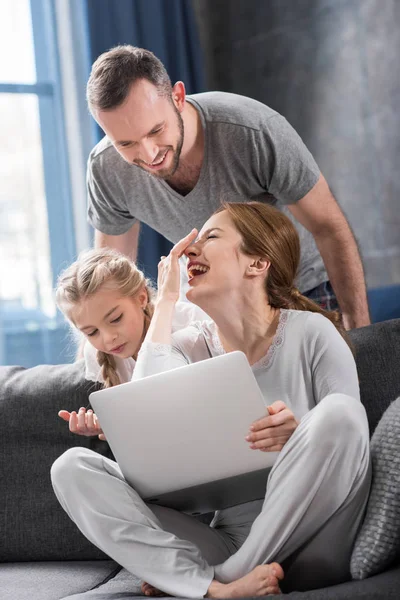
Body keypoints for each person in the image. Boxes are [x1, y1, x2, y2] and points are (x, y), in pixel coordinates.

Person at [51, 202, 371, 597]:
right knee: (72, 467)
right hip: (227, 539)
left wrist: (300, 433)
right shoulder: (188, 344)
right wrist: (165, 301)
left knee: (338, 413)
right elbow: (152, 404)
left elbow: (352, 442)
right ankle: (213, 585)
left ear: (256, 264)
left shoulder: (313, 331)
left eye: (211, 237)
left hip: (316, 542)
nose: (190, 249)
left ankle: (215, 580)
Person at [85, 44, 370, 330]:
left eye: (156, 131)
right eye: (126, 143)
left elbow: (329, 228)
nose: (149, 154)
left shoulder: (255, 132)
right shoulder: (106, 169)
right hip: (217, 311)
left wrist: (360, 329)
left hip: (303, 290)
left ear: (178, 98)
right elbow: (112, 283)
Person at [55, 247, 205, 439]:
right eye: (92, 332)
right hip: (156, 450)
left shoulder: (189, 322)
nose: (108, 338)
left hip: (197, 437)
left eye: (116, 319)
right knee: (70, 462)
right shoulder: (95, 353)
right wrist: (108, 428)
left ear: (141, 298)